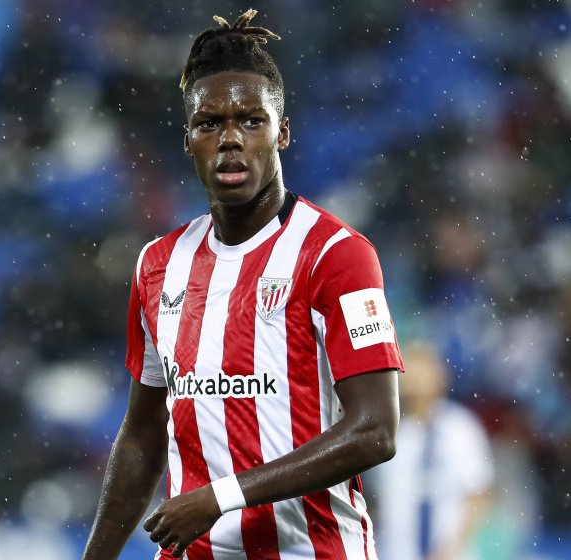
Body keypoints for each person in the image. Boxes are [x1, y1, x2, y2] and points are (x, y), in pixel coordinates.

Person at [82, 10, 405, 560]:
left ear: (282, 131)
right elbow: (142, 436)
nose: (230, 139)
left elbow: (375, 430)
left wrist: (221, 498)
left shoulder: (336, 255)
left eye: (251, 121)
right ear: (188, 140)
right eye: (209, 124)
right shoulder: (158, 265)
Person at [367, 342, 494, 560]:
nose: (415, 383)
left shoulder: (461, 428)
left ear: (440, 377)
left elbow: (478, 495)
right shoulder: (393, 434)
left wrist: (449, 549)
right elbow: (382, 501)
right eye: (410, 375)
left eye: (422, 374)